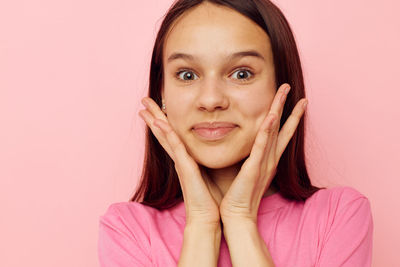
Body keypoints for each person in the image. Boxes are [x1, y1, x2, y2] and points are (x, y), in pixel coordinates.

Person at [98, 0, 373, 266]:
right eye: (187, 75)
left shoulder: (338, 216)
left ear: (282, 86)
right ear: (162, 94)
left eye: (241, 74)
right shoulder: (128, 230)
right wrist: (202, 225)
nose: (210, 99)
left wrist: (240, 221)